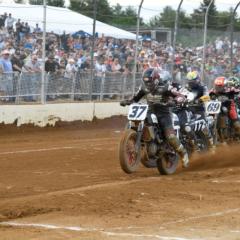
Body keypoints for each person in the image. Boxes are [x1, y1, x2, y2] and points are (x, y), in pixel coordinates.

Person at [120, 68, 189, 168]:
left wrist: (175, 101)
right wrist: (128, 101)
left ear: (156, 79)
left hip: (164, 114)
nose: (148, 85)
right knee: (137, 122)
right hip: (149, 111)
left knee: (171, 137)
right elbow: (135, 98)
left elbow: (180, 95)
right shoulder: (143, 87)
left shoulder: (166, 87)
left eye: (150, 82)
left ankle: (183, 153)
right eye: (146, 82)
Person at [186, 71, 214, 149]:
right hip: (188, 110)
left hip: (199, 109)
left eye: (192, 81)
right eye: (189, 81)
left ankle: (211, 142)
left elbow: (207, 96)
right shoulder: (186, 87)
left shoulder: (202, 86)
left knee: (203, 124)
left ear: (197, 80)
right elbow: (181, 95)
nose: (191, 83)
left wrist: (199, 100)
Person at [210, 76, 240, 142]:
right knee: (209, 118)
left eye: (220, 86)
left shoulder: (230, 89)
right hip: (217, 107)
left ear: (224, 85)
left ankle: (238, 135)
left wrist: (236, 94)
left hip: (229, 106)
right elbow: (208, 96)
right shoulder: (213, 91)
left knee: (237, 125)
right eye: (217, 86)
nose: (218, 87)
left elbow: (237, 91)